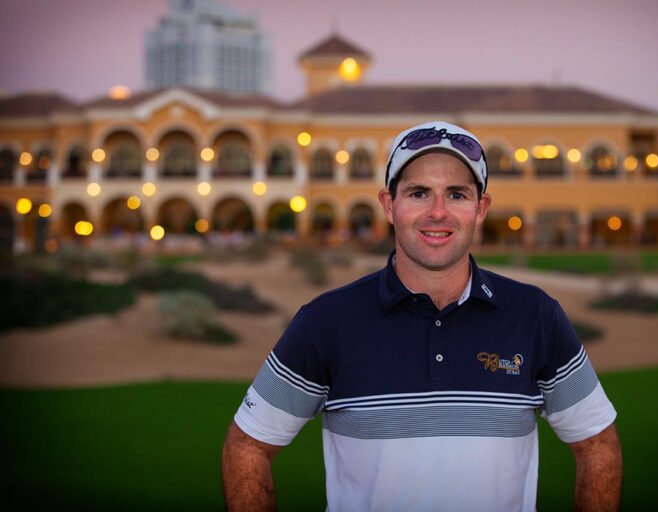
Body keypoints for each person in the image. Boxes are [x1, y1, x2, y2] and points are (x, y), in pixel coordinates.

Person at [222, 121, 623, 511]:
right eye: (418, 193)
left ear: (480, 208)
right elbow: (247, 445)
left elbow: (598, 443)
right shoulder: (326, 321)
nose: (438, 212)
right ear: (389, 205)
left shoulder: (535, 315)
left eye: (457, 194)